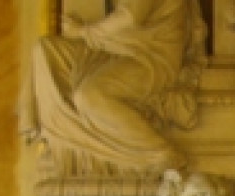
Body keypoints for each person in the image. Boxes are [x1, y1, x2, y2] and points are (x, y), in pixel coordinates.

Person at [22, 0, 206, 174]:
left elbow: (130, 16)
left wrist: (84, 32)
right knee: (46, 50)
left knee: (90, 96)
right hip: (117, 48)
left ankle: (161, 153)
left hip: (148, 60)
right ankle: (60, 136)